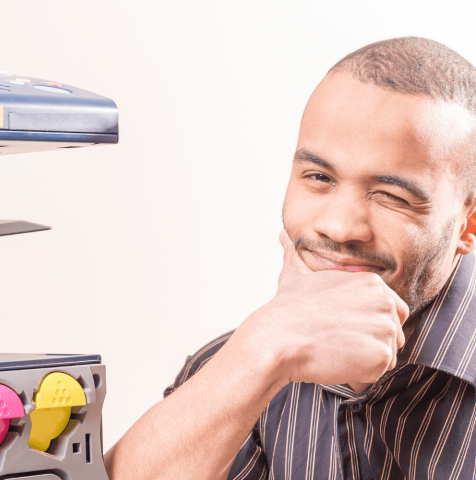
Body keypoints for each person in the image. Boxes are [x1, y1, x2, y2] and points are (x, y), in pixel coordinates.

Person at [104, 37, 476, 480]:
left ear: (466, 226)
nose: (338, 227)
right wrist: (261, 352)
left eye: (391, 196)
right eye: (319, 177)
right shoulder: (236, 366)